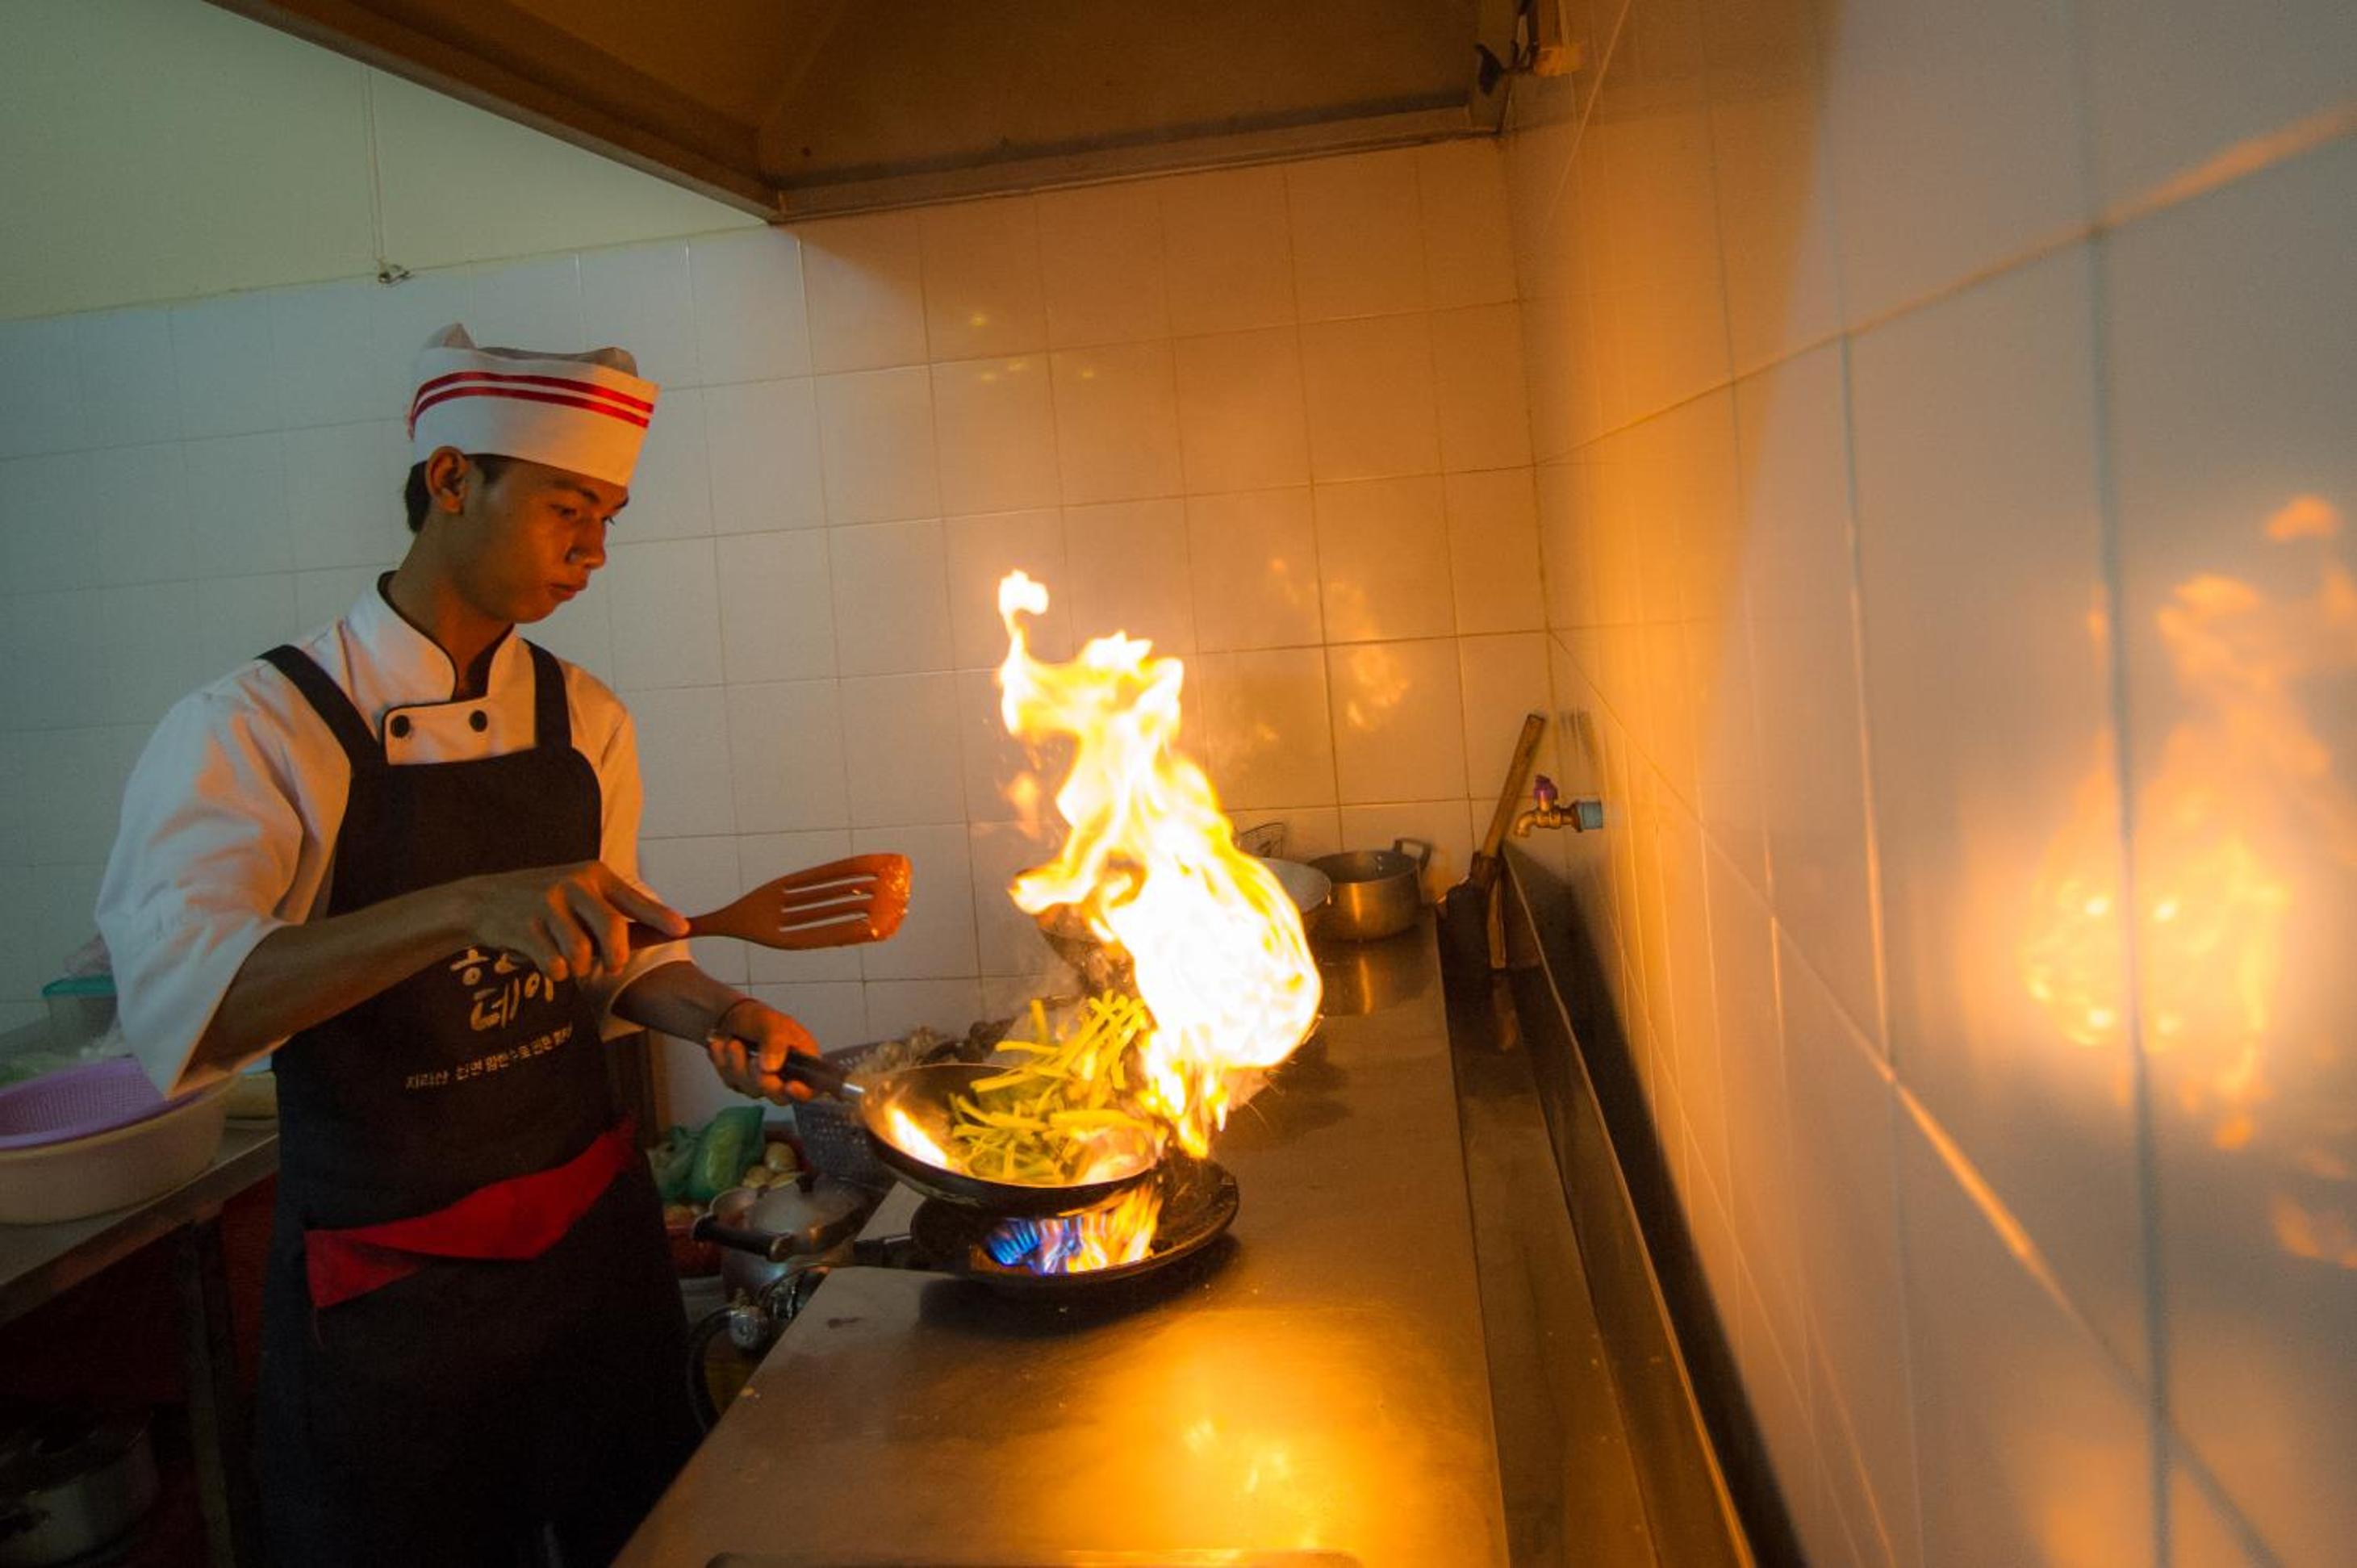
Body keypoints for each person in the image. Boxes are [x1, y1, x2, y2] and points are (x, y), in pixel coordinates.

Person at [96, 324, 833, 1565]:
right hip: (391, 1285)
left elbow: (614, 950)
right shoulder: (255, 728)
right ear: (450, 480)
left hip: (591, 1256)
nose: (595, 551)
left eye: (609, 518)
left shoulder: (582, 715)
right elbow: (195, 1005)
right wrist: (457, 906)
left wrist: (715, 1012)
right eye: (566, 509)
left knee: (645, 1539)